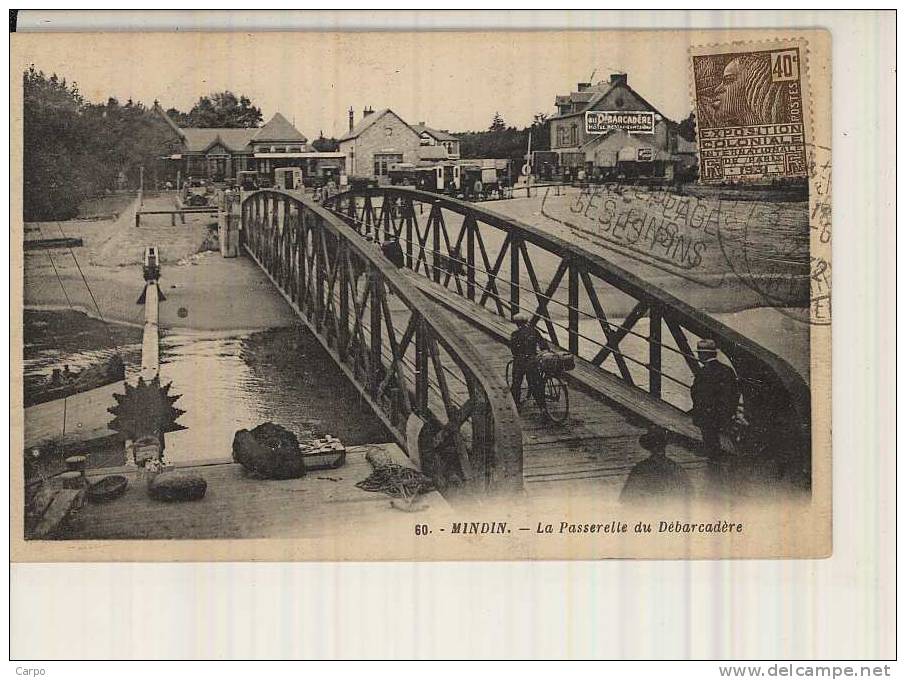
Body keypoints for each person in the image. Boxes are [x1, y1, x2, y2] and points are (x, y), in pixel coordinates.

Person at [690, 338, 740, 461]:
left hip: (707, 416)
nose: (698, 356)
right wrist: (730, 412)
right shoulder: (727, 370)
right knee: (728, 441)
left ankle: (714, 469)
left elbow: (697, 394)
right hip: (724, 414)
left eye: (699, 353)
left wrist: (698, 413)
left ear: (704, 354)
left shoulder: (703, 372)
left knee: (711, 444)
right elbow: (734, 393)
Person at [619, 426, 692, 504]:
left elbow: (626, 498)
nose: (659, 449)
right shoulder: (675, 467)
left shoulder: (641, 468)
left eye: (661, 445)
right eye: (656, 446)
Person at [509, 313, 547, 410]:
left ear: (517, 323)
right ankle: (542, 407)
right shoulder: (534, 331)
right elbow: (543, 345)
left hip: (520, 361)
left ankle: (516, 404)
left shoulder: (515, 334)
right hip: (532, 361)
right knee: (535, 383)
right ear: (526, 321)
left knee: (516, 383)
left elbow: (513, 349)